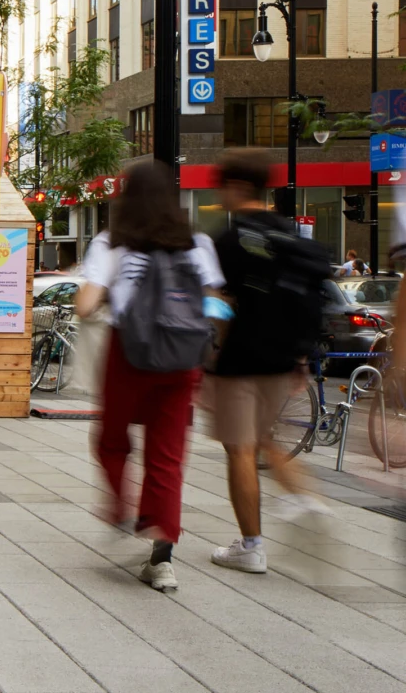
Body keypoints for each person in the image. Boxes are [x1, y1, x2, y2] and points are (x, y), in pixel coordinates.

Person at [76, 158, 224, 592]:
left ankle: (119, 504)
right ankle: (162, 559)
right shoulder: (196, 243)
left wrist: (101, 300)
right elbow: (215, 305)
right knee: (167, 455)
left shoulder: (112, 243)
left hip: (131, 354)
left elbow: (85, 306)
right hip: (182, 361)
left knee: (111, 436)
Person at [208, 149, 332, 573]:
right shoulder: (292, 236)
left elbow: (219, 303)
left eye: (221, 187)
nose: (218, 195)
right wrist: (301, 356)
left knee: (239, 448)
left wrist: (211, 349)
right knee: (262, 437)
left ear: (239, 187)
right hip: (285, 359)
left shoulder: (231, 239)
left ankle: (251, 546)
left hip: (242, 355)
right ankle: (305, 497)